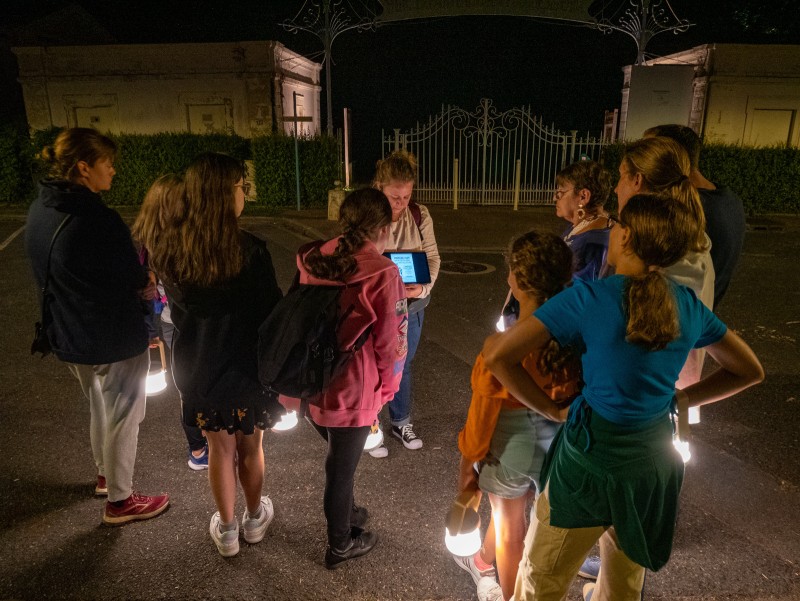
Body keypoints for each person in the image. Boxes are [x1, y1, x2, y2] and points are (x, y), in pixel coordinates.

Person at [483, 194, 764, 601]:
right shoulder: (686, 304)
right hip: (649, 468)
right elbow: (750, 370)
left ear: (627, 237)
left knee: (541, 580)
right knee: (623, 582)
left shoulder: (589, 298)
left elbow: (498, 357)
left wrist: (549, 409)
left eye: (617, 226)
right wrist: (682, 400)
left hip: (587, 464)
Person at [24, 127, 169, 525]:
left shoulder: (40, 209)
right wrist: (148, 282)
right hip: (111, 335)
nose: (113, 171)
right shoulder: (98, 220)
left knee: (99, 405)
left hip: (67, 331)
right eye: (108, 163)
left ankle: (106, 476)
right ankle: (121, 501)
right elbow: (132, 277)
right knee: (125, 412)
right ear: (84, 168)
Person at [149, 152, 283, 557]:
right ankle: (254, 518)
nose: (244, 194)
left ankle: (226, 531)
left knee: (219, 451)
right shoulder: (251, 251)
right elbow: (272, 312)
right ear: (224, 194)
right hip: (246, 368)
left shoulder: (173, 250)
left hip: (199, 369)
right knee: (250, 447)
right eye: (241, 186)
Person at [454, 231, 581, 601]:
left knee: (510, 533)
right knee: (542, 528)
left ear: (518, 280)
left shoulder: (500, 349)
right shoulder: (575, 342)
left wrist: (468, 470)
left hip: (510, 451)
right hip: (560, 450)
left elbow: (481, 419)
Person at [292, 187, 408, 568]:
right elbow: (392, 344)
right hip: (353, 389)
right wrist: (388, 390)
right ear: (384, 229)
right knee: (339, 470)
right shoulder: (383, 273)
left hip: (312, 382)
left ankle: (349, 512)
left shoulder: (316, 258)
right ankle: (339, 544)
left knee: (340, 458)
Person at [131, 174, 209, 471]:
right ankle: (199, 447)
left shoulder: (165, 239)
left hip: (183, 321)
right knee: (192, 386)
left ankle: (206, 444)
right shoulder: (157, 244)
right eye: (183, 200)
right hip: (179, 322)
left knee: (196, 384)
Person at [371, 149, 440, 453]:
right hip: (376, 305)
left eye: (406, 196)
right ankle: (370, 426)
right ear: (379, 187)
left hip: (412, 304)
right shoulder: (368, 213)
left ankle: (401, 422)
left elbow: (433, 257)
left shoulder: (419, 214)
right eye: (394, 197)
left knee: (403, 363)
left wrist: (421, 289)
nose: (400, 203)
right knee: (371, 364)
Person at [643, 124, 746, 309]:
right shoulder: (730, 200)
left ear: (671, 156)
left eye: (647, 152)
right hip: (704, 310)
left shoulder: (686, 209)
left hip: (682, 312)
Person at [554, 160, 613, 281]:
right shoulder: (579, 226)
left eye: (560, 192)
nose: (555, 198)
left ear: (583, 196)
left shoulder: (594, 243)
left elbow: (580, 287)